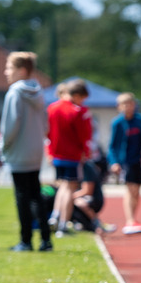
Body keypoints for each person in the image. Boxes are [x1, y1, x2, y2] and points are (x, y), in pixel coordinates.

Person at [0, 51, 53, 251]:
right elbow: (45, 125)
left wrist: (3, 147)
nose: (6, 72)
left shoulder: (15, 92)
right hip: (35, 151)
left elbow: (10, 126)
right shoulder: (39, 92)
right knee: (36, 195)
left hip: (19, 152)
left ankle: (26, 240)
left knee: (22, 196)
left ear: (22, 70)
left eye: (9, 67)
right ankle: (46, 239)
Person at [46, 79, 92, 237]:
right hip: (72, 154)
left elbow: (47, 132)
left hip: (57, 154)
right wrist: (86, 152)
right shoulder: (77, 111)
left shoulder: (52, 108)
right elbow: (83, 135)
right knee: (70, 188)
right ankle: (63, 225)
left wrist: (50, 151)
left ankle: (55, 215)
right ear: (77, 95)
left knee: (63, 186)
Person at [108, 92, 141, 234]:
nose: (128, 107)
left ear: (134, 105)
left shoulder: (139, 120)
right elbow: (112, 146)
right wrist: (114, 162)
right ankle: (130, 220)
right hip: (124, 161)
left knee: (137, 190)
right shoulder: (117, 123)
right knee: (130, 188)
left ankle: (133, 218)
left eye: (130, 104)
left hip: (136, 160)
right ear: (119, 107)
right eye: (124, 104)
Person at [72, 157, 116, 233]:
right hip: (86, 197)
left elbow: (87, 191)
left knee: (79, 202)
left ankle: (97, 223)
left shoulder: (87, 167)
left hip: (94, 199)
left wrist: (71, 196)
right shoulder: (73, 166)